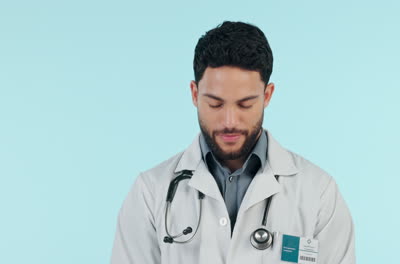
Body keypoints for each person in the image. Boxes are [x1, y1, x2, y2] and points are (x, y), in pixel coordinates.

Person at [111, 21, 355, 264]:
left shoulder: (318, 193)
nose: (229, 121)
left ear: (267, 96)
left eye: (245, 104)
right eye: (215, 104)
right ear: (195, 94)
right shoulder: (150, 191)